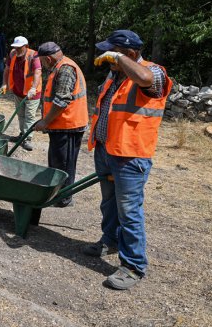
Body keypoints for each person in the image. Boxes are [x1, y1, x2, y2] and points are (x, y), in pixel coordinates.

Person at [84, 29, 172, 290]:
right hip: (107, 151)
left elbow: (145, 78)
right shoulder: (115, 76)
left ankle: (133, 266)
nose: (108, 58)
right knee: (109, 203)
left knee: (129, 211)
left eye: (114, 53)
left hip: (130, 157)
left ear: (131, 54)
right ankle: (109, 240)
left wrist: (120, 60)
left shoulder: (154, 72)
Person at [33, 42, 88, 208]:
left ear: (48, 59)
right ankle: (58, 194)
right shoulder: (59, 66)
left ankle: (64, 198)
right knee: (57, 161)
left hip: (69, 125)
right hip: (61, 125)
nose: (41, 64)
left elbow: (61, 100)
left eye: (42, 61)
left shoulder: (65, 69)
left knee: (64, 163)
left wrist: (45, 121)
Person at [1, 36, 42, 151]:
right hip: (18, 91)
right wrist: (4, 84)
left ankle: (27, 138)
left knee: (29, 116)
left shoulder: (34, 56)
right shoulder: (13, 54)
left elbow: (37, 73)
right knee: (20, 114)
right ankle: (22, 134)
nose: (17, 50)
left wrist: (33, 88)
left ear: (26, 46)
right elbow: (7, 69)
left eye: (19, 48)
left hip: (32, 93)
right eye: (15, 47)